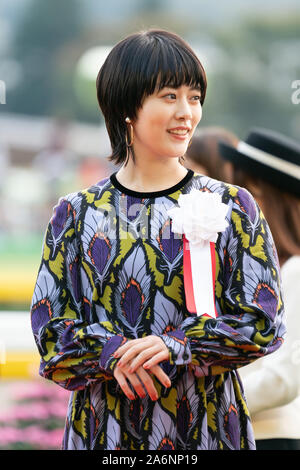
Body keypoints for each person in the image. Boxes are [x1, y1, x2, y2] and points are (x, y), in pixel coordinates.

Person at [30, 29, 285, 451]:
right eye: (169, 96)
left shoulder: (232, 205)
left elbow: (262, 322)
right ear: (127, 107)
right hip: (106, 431)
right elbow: (51, 332)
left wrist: (175, 346)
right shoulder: (75, 213)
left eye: (195, 97)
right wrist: (112, 353)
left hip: (207, 427)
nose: (187, 112)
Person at [219, 128, 300, 450]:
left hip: (271, 436)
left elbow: (285, 376)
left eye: (241, 188)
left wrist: (210, 404)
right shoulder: (255, 267)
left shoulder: (295, 270)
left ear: (260, 192)